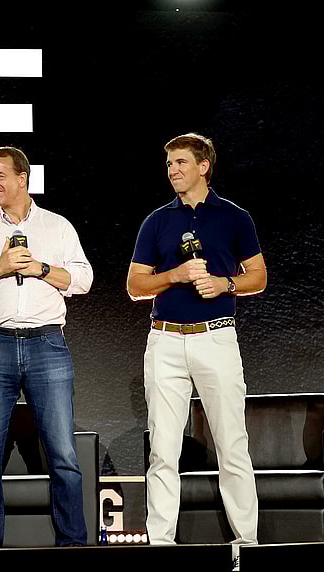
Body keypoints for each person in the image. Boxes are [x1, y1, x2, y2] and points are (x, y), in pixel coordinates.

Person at [127, 133, 266, 569]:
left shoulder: (235, 218)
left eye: (181, 162)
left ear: (204, 167)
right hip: (165, 340)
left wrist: (225, 284)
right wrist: (176, 275)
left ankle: (247, 545)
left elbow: (258, 276)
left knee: (232, 444)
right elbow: (135, 285)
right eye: (169, 164)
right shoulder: (156, 221)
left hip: (216, 337)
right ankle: (161, 545)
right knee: (163, 449)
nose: (173, 170)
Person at [0, 146, 93, 547]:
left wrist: (41, 269)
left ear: (22, 178)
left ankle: (72, 545)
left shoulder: (56, 227)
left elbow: (83, 280)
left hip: (47, 344)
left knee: (63, 456)